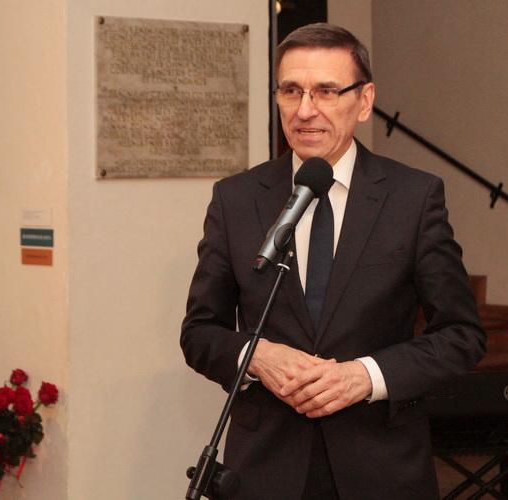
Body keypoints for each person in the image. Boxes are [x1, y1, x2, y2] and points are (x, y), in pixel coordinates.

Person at [181, 23, 485, 500]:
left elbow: (461, 336)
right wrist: (255, 356)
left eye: (325, 91)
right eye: (291, 91)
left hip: (380, 467)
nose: (305, 110)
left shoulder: (413, 198)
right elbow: (199, 332)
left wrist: (365, 376)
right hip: (266, 471)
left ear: (364, 101)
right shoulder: (236, 199)